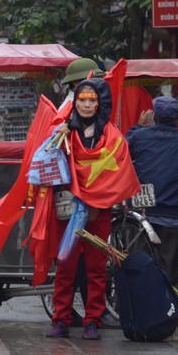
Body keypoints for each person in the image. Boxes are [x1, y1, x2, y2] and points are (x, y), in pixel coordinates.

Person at [45, 78, 140, 340]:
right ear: (75, 102)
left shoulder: (113, 136)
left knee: (97, 268)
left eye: (92, 100)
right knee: (65, 265)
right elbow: (51, 167)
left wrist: (98, 203)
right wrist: (55, 137)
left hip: (100, 211)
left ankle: (92, 320)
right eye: (82, 100)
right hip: (69, 210)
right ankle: (61, 318)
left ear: (100, 104)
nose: (87, 105)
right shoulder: (64, 131)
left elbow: (117, 174)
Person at [125, 96, 178, 288]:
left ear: (154, 116)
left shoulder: (139, 136)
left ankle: (143, 306)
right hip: (171, 212)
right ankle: (170, 307)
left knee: (140, 263)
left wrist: (138, 127)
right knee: (170, 266)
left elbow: (122, 149)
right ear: (177, 117)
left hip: (142, 211)